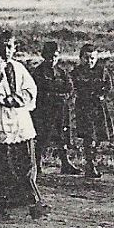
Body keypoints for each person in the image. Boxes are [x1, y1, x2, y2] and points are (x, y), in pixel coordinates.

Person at [0, 32, 44, 221]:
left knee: (25, 164)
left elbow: (30, 90)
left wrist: (14, 99)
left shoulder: (19, 67)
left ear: (15, 47)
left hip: (18, 123)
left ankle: (31, 203)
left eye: (10, 46)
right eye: (2, 46)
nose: (6, 50)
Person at [29, 40, 77, 174]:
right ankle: (37, 164)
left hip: (61, 110)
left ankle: (65, 163)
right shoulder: (39, 72)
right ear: (44, 56)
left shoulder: (61, 72)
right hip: (45, 111)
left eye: (55, 57)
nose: (52, 60)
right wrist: (55, 96)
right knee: (42, 137)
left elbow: (70, 88)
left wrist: (64, 96)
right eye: (50, 57)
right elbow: (38, 92)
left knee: (63, 136)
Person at [69, 43, 112, 178]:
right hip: (84, 108)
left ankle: (92, 160)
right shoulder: (76, 72)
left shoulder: (101, 71)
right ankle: (90, 164)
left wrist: (102, 94)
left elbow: (108, 85)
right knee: (89, 136)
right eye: (86, 58)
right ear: (80, 58)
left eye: (92, 58)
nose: (89, 61)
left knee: (98, 136)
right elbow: (72, 87)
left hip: (98, 108)